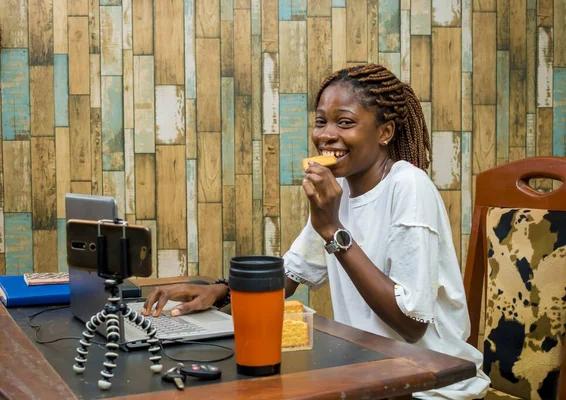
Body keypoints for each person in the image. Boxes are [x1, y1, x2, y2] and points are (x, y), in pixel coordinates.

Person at [143, 64, 489, 398]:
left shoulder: (408, 186)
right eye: (321, 122)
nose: (326, 136)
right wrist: (218, 292)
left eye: (345, 122)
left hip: (431, 385)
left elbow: (412, 324)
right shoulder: (341, 192)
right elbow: (288, 278)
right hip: (371, 374)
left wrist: (333, 230)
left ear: (385, 132)